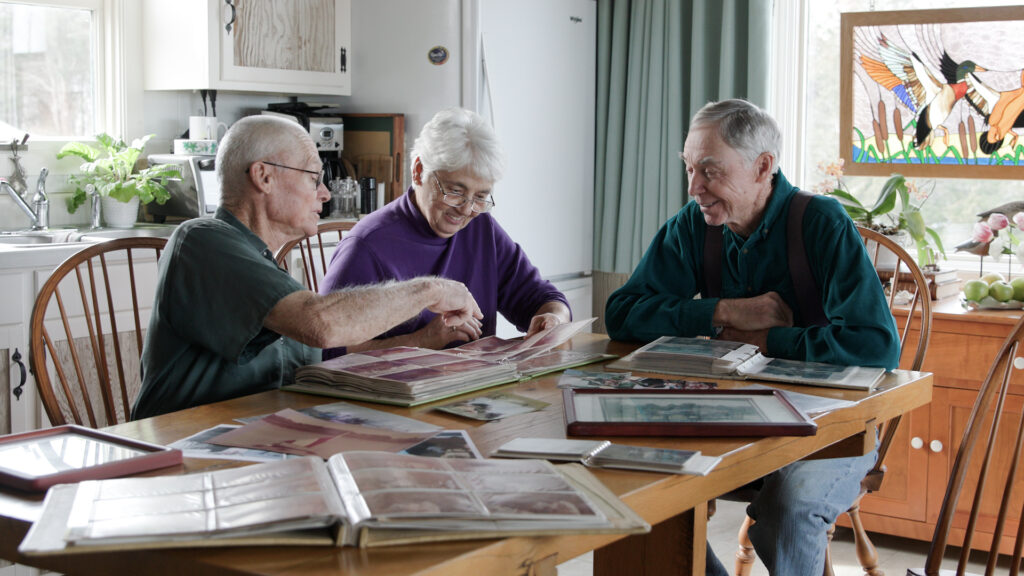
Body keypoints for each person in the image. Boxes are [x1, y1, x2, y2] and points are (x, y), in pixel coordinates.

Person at [605, 99, 900, 576]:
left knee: (787, 511)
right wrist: (722, 311)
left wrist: (767, 339)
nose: (693, 187)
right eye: (688, 167)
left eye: (709, 170)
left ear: (763, 167)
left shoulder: (821, 223)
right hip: (733, 419)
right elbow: (622, 314)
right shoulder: (695, 225)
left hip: (832, 432)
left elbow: (876, 346)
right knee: (637, 489)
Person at [132, 115, 482, 419]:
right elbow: (320, 325)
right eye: (314, 177)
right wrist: (432, 290)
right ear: (264, 177)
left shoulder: (264, 264)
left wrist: (422, 341)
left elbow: (327, 361)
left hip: (256, 443)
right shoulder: (201, 241)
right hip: (182, 451)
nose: (326, 193)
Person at [319, 108, 570, 358]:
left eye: (480, 197)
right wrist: (421, 341)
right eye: (456, 192)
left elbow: (543, 298)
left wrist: (554, 319)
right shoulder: (366, 246)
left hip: (474, 392)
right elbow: (330, 354)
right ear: (418, 171)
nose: (467, 209)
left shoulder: (482, 229)